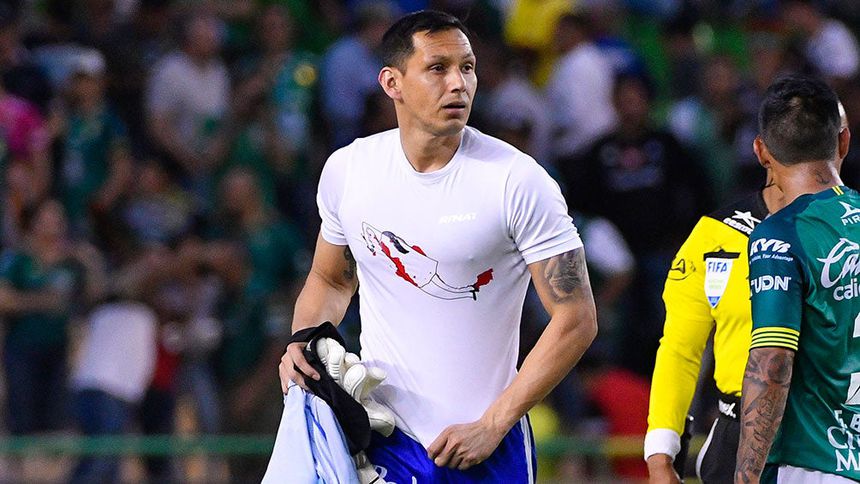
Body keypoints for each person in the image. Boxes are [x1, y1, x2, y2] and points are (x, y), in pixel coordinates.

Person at [279, 10, 597, 482]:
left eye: (467, 68)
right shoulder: (349, 170)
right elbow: (330, 280)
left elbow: (577, 318)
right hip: (385, 444)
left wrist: (493, 423)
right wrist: (303, 340)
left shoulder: (517, 180)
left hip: (488, 448)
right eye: (438, 68)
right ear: (392, 83)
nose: (458, 84)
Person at [735, 75, 858, 482]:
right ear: (843, 141)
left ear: (761, 152)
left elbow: (772, 361)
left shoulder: (779, 236)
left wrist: (746, 477)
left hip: (815, 463)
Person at [645, 137, 781, 482]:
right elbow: (680, 348)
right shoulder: (715, 234)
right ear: (761, 151)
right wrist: (660, 449)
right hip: (734, 437)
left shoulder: (848, 229)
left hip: (832, 433)